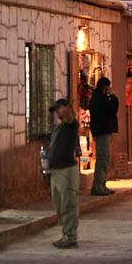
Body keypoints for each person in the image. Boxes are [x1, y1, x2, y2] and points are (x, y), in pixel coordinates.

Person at [47, 98, 82, 249]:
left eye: (59, 109)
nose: (57, 112)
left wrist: (68, 110)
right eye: (56, 110)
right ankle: (66, 233)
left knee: (68, 204)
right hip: (56, 170)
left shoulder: (71, 124)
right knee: (59, 204)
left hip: (67, 170)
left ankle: (70, 236)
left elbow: (69, 117)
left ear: (67, 108)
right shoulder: (60, 128)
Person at [89, 77, 119, 196]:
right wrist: (113, 97)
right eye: (108, 87)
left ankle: (101, 184)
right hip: (102, 132)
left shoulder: (98, 98)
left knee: (104, 159)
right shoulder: (99, 99)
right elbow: (112, 110)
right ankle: (98, 186)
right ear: (105, 87)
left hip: (102, 131)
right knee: (103, 159)